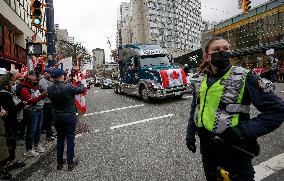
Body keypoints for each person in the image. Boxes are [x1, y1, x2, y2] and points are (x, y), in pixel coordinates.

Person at [186, 37, 284, 180]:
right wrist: (190, 133)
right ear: (206, 55)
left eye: (226, 49)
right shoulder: (201, 79)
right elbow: (196, 106)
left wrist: (243, 131)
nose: (222, 52)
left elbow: (277, 110)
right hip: (207, 148)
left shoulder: (245, 77)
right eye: (216, 49)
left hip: (234, 148)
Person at [47, 68, 86, 171]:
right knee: (70, 140)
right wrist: (79, 81)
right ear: (61, 76)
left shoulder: (49, 88)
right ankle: (70, 162)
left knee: (60, 139)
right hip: (69, 117)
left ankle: (59, 163)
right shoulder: (68, 87)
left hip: (57, 117)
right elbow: (81, 89)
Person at [19, 71, 47, 157]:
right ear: (28, 79)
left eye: (36, 80)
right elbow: (30, 100)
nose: (35, 82)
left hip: (39, 109)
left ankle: (36, 145)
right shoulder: (24, 89)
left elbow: (42, 95)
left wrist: (43, 95)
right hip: (32, 111)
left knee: (38, 129)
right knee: (31, 130)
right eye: (33, 80)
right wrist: (41, 96)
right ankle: (29, 149)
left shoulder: (36, 87)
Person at [39, 68, 56, 141]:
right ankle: (48, 135)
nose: (51, 75)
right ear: (46, 73)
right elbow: (48, 91)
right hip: (46, 103)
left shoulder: (46, 80)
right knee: (48, 120)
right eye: (50, 73)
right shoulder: (42, 81)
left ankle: (50, 133)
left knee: (49, 119)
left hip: (49, 102)